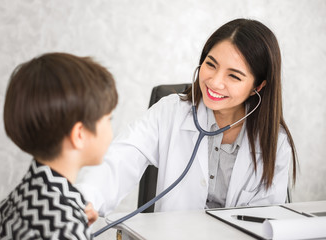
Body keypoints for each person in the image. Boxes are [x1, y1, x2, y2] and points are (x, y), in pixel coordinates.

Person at [76, 18, 297, 216]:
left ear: (257, 86)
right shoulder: (170, 112)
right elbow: (120, 159)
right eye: (211, 64)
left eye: (233, 76)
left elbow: (267, 219)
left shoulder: (276, 142)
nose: (215, 82)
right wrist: (85, 202)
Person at [0, 53, 118, 239]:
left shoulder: (15, 200)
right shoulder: (63, 227)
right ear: (79, 134)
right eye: (109, 119)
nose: (112, 130)